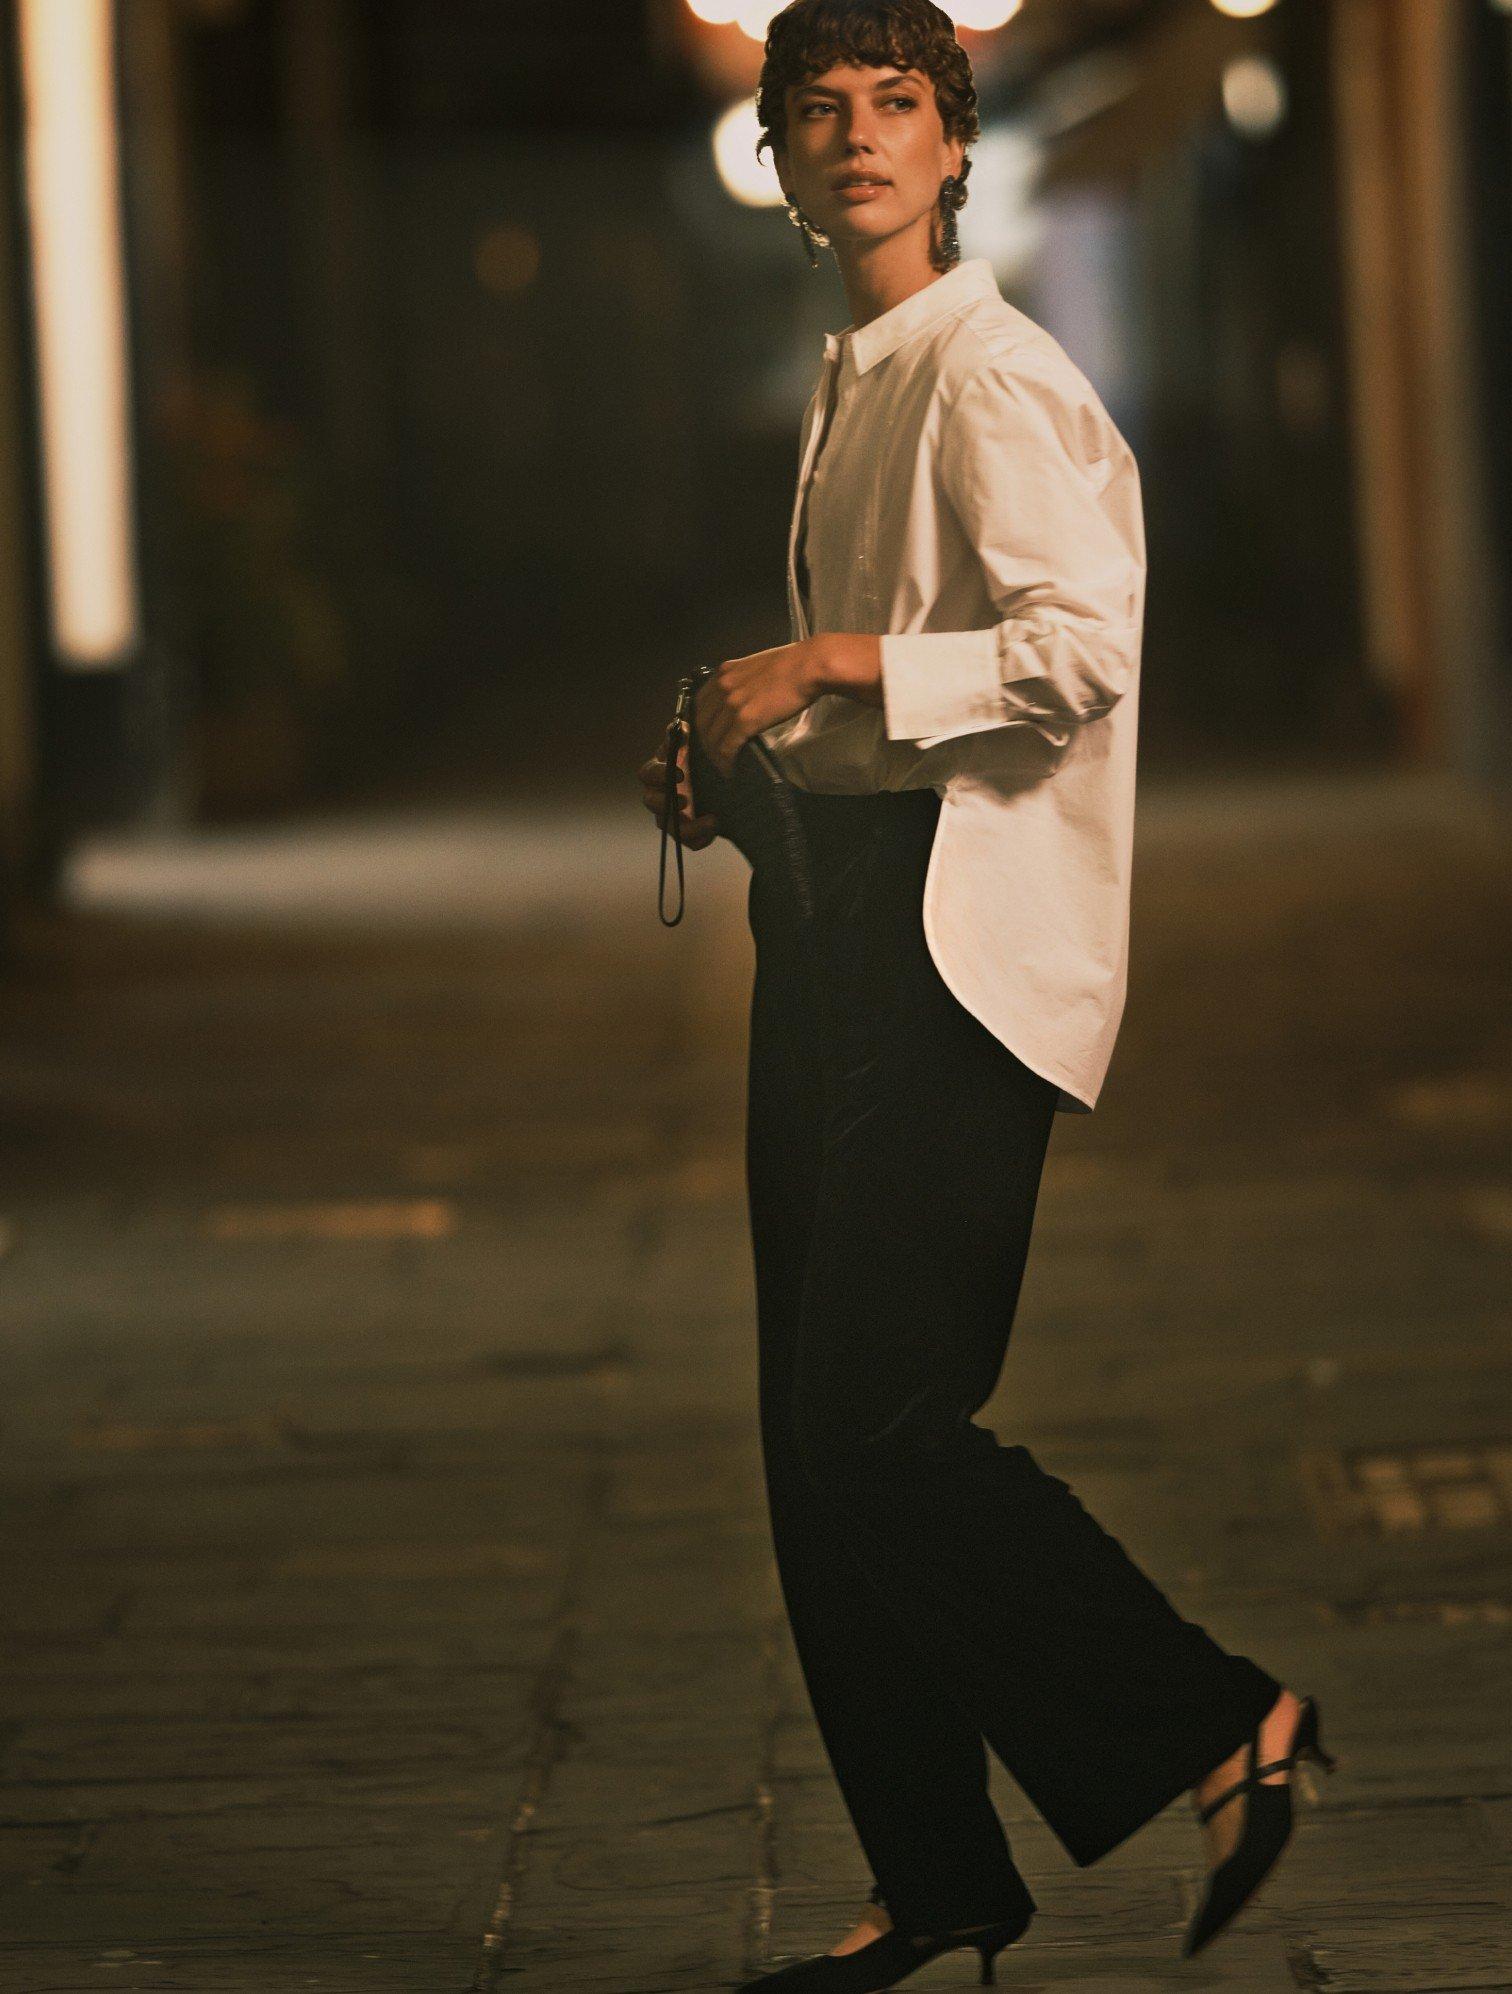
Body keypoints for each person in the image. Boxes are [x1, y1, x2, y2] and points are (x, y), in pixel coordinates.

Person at [638, 3, 1336, 1984]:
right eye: (819, 114)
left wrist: (831, 662)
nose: (855, 140)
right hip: (842, 916)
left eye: (896, 109)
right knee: (813, 1443)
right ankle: (934, 1875)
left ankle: (1218, 1719)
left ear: (953, 149)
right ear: (778, 162)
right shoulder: (861, 376)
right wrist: (736, 774)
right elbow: (870, 717)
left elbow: (1079, 649)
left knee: (881, 1421)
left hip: (951, 956)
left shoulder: (991, 374)